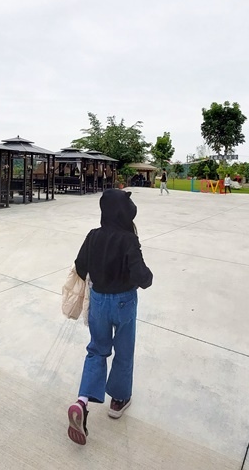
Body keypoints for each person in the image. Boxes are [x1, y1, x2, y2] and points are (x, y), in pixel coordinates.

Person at [67, 190, 154, 446]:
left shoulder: (93, 235)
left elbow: (81, 266)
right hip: (124, 301)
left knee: (96, 350)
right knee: (123, 351)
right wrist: (148, 277)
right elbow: (141, 277)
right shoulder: (129, 239)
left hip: (98, 301)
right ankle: (118, 400)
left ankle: (82, 401)